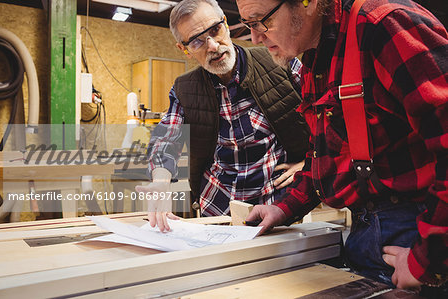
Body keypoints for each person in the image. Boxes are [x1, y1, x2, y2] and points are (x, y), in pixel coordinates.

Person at [236, 0, 447, 293]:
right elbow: (327, 155)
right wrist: (284, 208)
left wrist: (428, 260)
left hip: (415, 233)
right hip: (366, 232)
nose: (256, 38)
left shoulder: (385, 26)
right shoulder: (314, 56)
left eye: (260, 21)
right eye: (248, 25)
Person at [136, 0, 309, 232]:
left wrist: (311, 164)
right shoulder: (184, 89)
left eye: (215, 30)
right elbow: (166, 138)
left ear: (226, 25)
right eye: (197, 41)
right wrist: (160, 180)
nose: (213, 46)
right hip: (217, 214)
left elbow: (329, 118)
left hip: (277, 209)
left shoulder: (281, 62)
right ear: (184, 49)